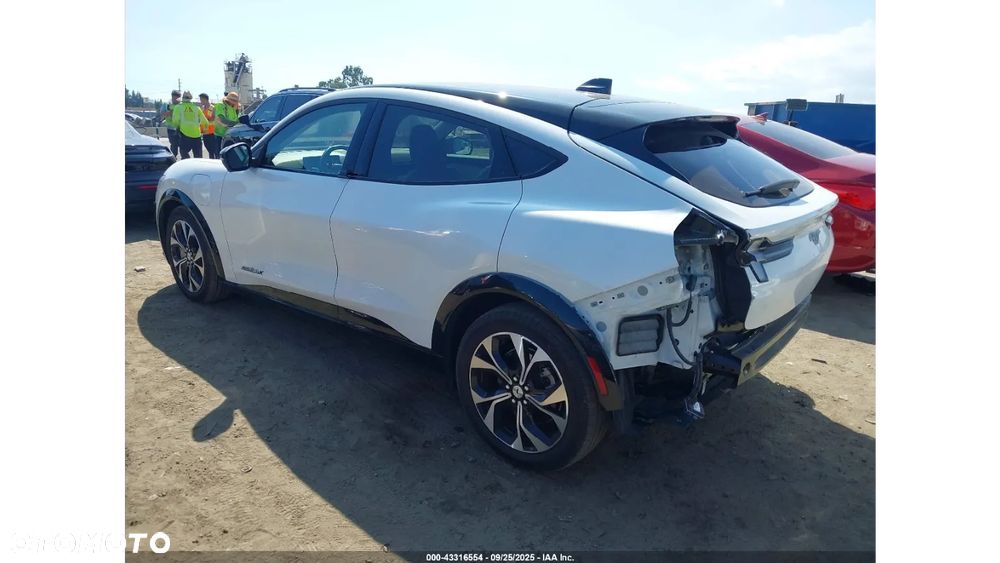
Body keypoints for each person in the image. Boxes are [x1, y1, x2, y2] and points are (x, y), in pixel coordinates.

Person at [171, 91, 209, 159]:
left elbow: (175, 122)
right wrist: (202, 131)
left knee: (184, 154)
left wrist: (178, 127)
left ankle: (188, 166)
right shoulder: (197, 108)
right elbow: (205, 122)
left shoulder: (178, 107)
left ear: (182, 98)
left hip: (184, 135)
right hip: (197, 135)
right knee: (198, 158)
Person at [160, 90, 182, 157]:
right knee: (174, 145)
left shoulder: (181, 105)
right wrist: (171, 112)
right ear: (172, 97)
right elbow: (162, 114)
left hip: (181, 128)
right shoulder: (167, 104)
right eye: (175, 98)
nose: (177, 100)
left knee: (182, 146)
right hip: (171, 128)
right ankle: (173, 159)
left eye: (178, 98)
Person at [199, 93, 218, 158]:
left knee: (213, 150)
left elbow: (212, 118)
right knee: (208, 149)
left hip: (211, 132)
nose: (200, 101)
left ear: (205, 99)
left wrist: (204, 118)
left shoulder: (212, 108)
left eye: (201, 99)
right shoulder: (202, 108)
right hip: (204, 132)